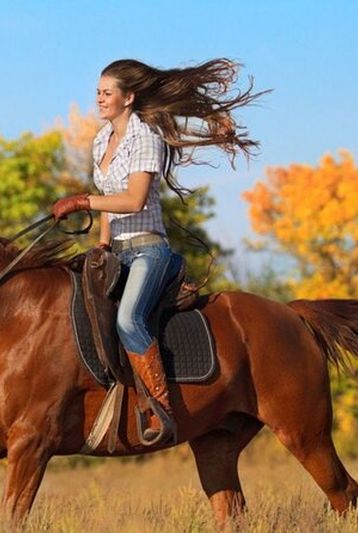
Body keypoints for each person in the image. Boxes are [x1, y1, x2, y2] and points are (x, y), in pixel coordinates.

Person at [52, 58, 265, 444]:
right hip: (116, 252)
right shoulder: (102, 140)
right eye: (97, 92)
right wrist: (100, 245)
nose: (99, 99)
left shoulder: (146, 137)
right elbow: (108, 202)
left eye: (107, 93)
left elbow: (132, 200)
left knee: (129, 320)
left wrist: (83, 201)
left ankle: (159, 409)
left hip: (149, 251)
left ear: (128, 97)